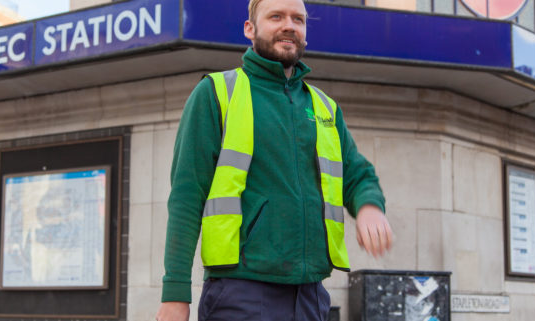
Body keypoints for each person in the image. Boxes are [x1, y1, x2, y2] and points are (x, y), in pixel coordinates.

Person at [155, 0, 393, 320]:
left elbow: (357, 173)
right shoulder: (216, 93)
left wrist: (368, 205)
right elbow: (186, 197)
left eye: (299, 19)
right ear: (249, 29)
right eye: (276, 16)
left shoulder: (324, 107)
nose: (289, 25)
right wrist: (175, 293)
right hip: (241, 293)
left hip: (310, 295)